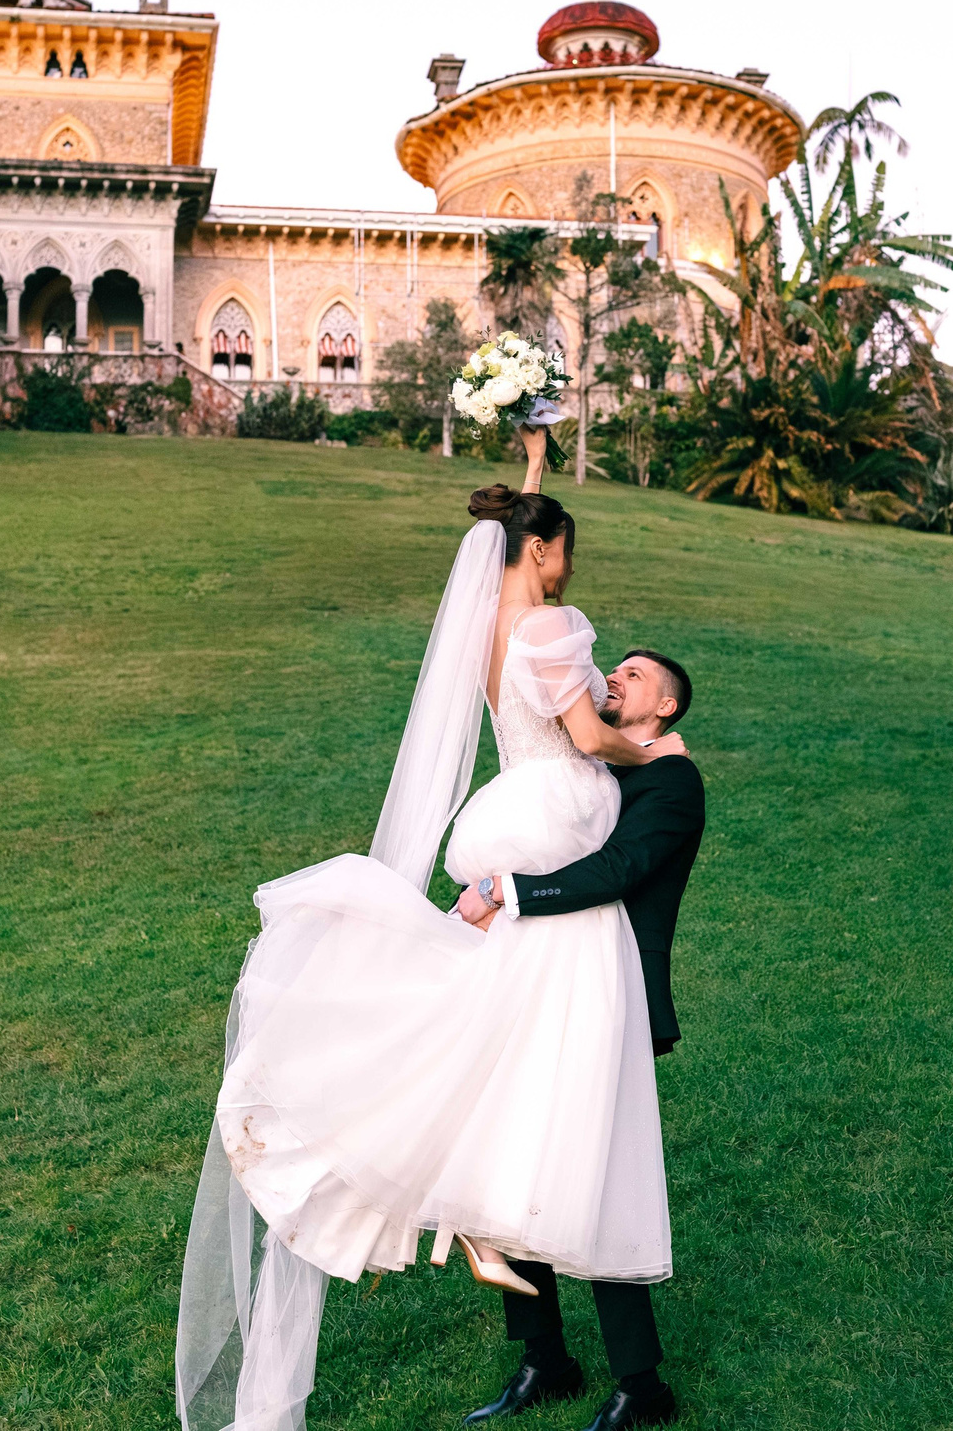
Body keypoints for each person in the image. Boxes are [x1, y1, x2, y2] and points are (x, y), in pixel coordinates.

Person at [175, 448, 692, 1431]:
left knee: (549, 1131)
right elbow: (589, 739)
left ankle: (614, 1372)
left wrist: (530, 465)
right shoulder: (552, 627)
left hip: (543, 886)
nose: (570, 568)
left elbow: (523, 599)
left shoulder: (485, 628)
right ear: (539, 550)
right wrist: (651, 745)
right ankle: (554, 1359)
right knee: (529, 1132)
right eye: (564, 549)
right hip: (549, 890)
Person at [453, 645, 704, 1430]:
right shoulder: (594, 770)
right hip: (538, 987)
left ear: (665, 706)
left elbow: (617, 871)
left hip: (609, 998)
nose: (614, 678)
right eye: (614, 668)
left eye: (635, 676)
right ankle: (545, 1360)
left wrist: (505, 888)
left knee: (596, 1178)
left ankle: (642, 1384)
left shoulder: (671, 782)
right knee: (516, 1162)